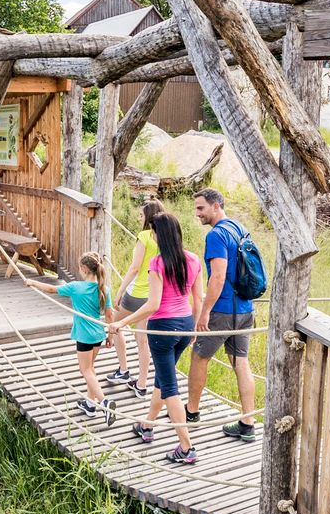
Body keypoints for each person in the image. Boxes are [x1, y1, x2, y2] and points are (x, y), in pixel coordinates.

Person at [109, 211, 203, 464]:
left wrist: (122, 322)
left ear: (158, 235)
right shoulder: (193, 259)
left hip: (162, 329)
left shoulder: (158, 264)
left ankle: (186, 447)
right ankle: (147, 425)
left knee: (170, 388)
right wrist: (193, 327)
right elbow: (199, 299)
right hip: (184, 326)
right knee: (163, 380)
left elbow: (153, 304)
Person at [188, 188, 258, 441]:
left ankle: (192, 412)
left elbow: (217, 277)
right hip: (245, 308)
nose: (197, 213)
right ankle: (248, 423)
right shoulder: (238, 227)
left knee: (199, 357)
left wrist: (204, 312)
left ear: (216, 206)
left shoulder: (216, 235)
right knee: (240, 361)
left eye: (201, 208)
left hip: (222, 310)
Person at [21, 252, 117, 422]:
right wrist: (111, 337)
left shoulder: (76, 287)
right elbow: (110, 316)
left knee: (85, 370)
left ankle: (104, 402)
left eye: (80, 268)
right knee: (91, 368)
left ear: (85, 269)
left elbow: (52, 289)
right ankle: (90, 404)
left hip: (85, 336)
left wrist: (32, 282)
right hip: (98, 335)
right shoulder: (104, 289)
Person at [110, 199, 166, 397]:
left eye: (141, 215)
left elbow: (135, 268)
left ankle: (124, 370)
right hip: (153, 297)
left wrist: (119, 291)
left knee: (115, 325)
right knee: (142, 340)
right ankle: (142, 384)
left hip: (135, 293)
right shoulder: (167, 239)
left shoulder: (144, 236)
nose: (139, 218)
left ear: (149, 218)